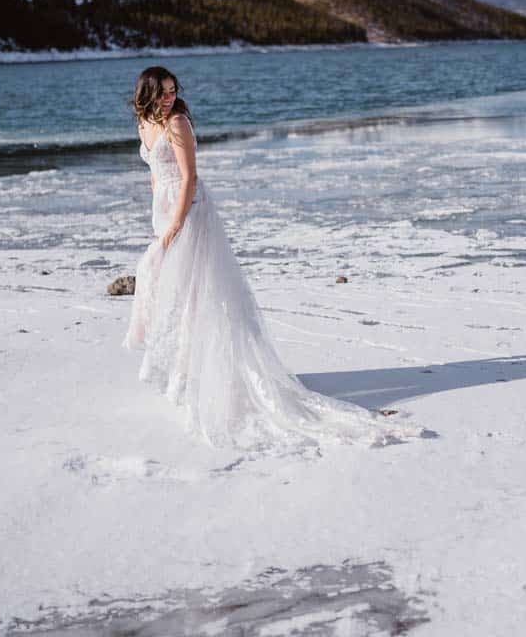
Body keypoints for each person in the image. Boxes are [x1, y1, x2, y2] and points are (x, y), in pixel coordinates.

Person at [122, 66, 414, 448]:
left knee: (197, 291)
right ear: (146, 94)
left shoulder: (178, 123)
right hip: (165, 212)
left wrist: (177, 221)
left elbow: (189, 177)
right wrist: (159, 215)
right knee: (170, 288)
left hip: (189, 210)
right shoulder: (146, 123)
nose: (169, 98)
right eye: (162, 92)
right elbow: (156, 174)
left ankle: (212, 376)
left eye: (173, 90)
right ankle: (186, 374)